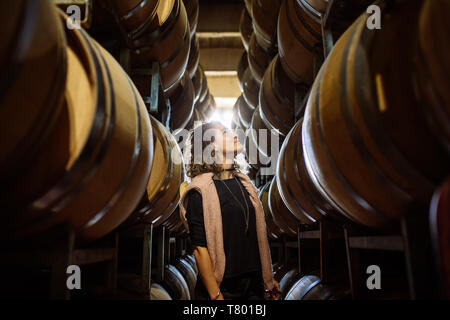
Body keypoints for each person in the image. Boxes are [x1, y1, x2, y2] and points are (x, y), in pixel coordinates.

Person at [179, 121, 281, 300]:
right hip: (224, 289)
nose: (234, 135)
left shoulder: (245, 184)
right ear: (211, 147)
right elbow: (199, 249)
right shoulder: (200, 190)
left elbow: (255, 236)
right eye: (225, 132)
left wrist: (268, 280)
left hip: (253, 286)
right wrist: (215, 295)